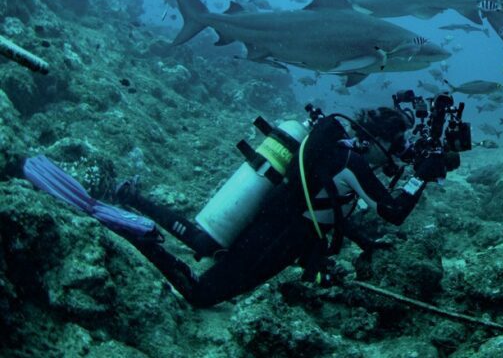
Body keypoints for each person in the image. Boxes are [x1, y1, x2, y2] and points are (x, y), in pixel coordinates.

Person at [22, 91, 470, 308]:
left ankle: (131, 196)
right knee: (201, 292)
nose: (392, 160)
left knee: (205, 243)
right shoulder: (351, 162)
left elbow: (332, 206)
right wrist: (421, 180)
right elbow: (391, 212)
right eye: (391, 149)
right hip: (281, 236)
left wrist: (365, 247)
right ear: (378, 141)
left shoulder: (339, 156)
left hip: (285, 228)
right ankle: (140, 234)